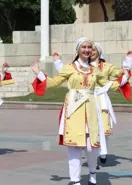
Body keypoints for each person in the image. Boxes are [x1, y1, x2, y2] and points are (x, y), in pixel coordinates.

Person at [30, 37, 130, 185]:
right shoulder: (69, 68)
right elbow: (54, 82)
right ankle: (75, 180)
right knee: (74, 146)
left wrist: (125, 78)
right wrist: (39, 73)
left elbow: (109, 85)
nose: (87, 50)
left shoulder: (95, 70)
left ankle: (92, 173)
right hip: (73, 110)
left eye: (89, 47)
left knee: (91, 147)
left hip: (90, 110)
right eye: (84, 47)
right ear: (78, 49)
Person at [52, 45, 132, 169]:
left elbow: (120, 73)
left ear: (99, 52)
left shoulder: (106, 67)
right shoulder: (81, 66)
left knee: (103, 129)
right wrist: (57, 61)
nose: (91, 51)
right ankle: (90, 157)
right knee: (86, 130)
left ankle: (101, 153)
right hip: (84, 100)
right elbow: (64, 72)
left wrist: (127, 62)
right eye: (90, 49)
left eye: (94, 49)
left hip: (100, 98)